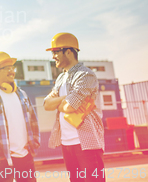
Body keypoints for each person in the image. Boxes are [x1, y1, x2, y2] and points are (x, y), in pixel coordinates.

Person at [43, 33, 105, 182]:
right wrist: (66, 98)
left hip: (86, 143)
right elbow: (46, 104)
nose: (53, 56)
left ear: (69, 51)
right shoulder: (60, 78)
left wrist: (62, 102)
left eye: (56, 51)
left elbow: (70, 106)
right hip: (67, 144)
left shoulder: (85, 75)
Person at [0, 52, 40, 182]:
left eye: (12, 67)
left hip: (25, 156)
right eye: (6, 68)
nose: (11, 71)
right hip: (2, 159)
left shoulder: (22, 94)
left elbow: (33, 121)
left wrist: (34, 143)